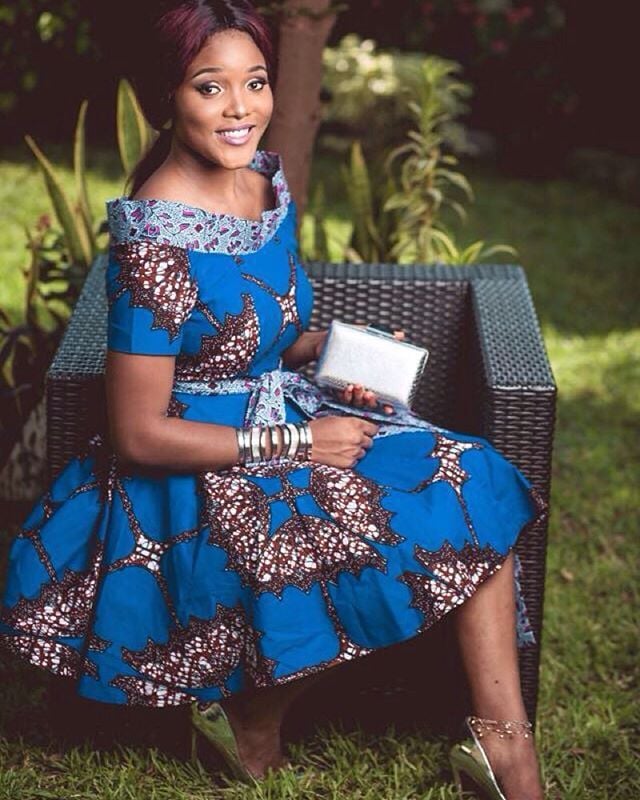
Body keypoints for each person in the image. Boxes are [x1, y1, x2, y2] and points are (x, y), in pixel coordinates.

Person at [0, 1, 548, 797]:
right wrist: (301, 445)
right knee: (340, 531)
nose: (240, 109)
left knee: (474, 476)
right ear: (165, 97)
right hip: (193, 470)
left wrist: (320, 347)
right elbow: (137, 432)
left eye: (254, 83)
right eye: (210, 87)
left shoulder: (260, 176)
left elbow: (256, 333)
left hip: (286, 408)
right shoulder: (154, 242)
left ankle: (505, 749)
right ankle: (253, 720)